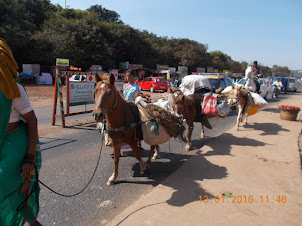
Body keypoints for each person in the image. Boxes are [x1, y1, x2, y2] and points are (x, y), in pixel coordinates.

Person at [0, 38, 42, 226]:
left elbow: (32, 121)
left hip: (13, 143)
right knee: (15, 198)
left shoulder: (13, 87)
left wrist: (29, 159)